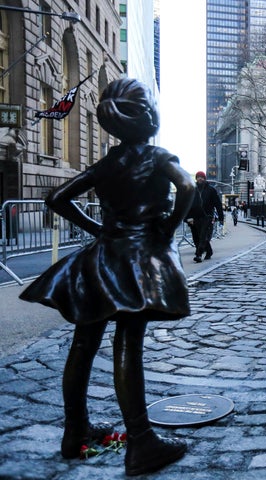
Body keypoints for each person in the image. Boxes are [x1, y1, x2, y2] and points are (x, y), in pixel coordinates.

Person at [19, 78, 194, 476]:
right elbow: (186, 186)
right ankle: (141, 441)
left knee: (83, 342)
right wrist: (168, 228)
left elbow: (56, 198)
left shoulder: (107, 163)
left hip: (101, 258)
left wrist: (97, 230)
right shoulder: (155, 156)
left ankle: (75, 431)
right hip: (137, 260)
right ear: (148, 117)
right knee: (128, 341)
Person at [185, 171, 224, 262]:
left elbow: (218, 204)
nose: (200, 178)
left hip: (207, 216)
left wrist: (221, 218)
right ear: (196, 178)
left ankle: (198, 255)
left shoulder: (211, 190)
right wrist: (187, 218)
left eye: (202, 177)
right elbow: (187, 204)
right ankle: (209, 251)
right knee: (196, 237)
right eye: (198, 177)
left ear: (205, 178)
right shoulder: (192, 190)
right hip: (194, 217)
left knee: (203, 236)